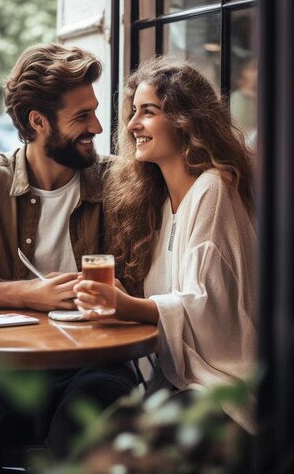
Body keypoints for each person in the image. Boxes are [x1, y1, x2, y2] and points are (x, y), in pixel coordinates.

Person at [0, 43, 137, 474]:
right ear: (38, 122)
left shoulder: (117, 182)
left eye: (94, 112)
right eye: (82, 116)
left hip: (100, 362)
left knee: (76, 440)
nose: (96, 126)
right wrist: (28, 293)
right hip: (9, 369)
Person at [75, 57, 257, 435]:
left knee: (121, 454)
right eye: (133, 112)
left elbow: (210, 306)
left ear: (185, 119)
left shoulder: (213, 188)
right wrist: (125, 297)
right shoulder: (161, 203)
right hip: (181, 381)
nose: (133, 124)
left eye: (148, 112)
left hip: (228, 387)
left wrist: (128, 306)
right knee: (92, 437)